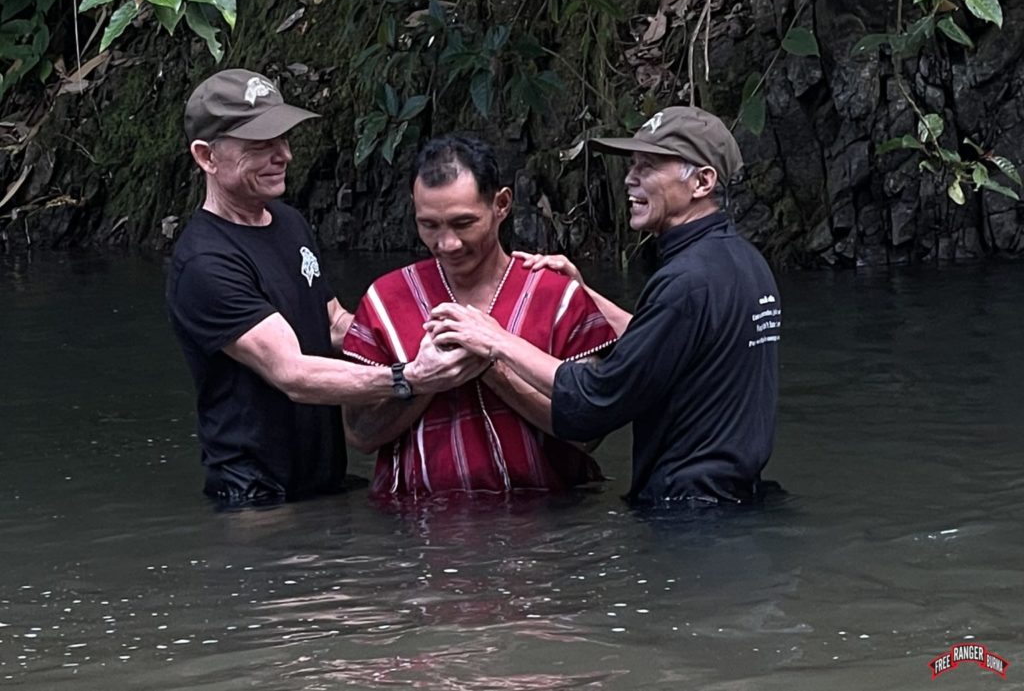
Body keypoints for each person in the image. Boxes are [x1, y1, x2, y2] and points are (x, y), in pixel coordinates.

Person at [429, 107, 781, 506]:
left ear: (702, 181)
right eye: (632, 165)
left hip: (690, 511)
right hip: (738, 495)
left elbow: (598, 398)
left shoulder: (686, 282)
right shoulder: (743, 262)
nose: (630, 178)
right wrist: (585, 294)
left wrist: (496, 341)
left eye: (647, 167)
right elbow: (669, 344)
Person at [166, 69, 485, 505]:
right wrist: (409, 377)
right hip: (256, 491)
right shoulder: (206, 263)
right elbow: (292, 373)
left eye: (282, 138)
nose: (285, 155)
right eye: (261, 145)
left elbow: (333, 321)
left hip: (321, 475)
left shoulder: (287, 221)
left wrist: (428, 336)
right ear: (206, 156)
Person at [341, 134, 619, 498]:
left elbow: (589, 432)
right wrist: (423, 380)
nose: (447, 243)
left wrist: (492, 365)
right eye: (430, 225)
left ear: (501, 204)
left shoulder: (558, 297)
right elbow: (359, 436)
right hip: (419, 531)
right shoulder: (385, 300)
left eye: (463, 223)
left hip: (542, 529)